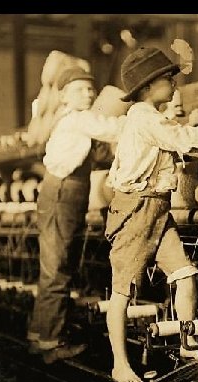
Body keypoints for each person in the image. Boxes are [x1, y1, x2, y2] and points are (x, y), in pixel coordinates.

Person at [104, 47, 198, 382]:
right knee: (122, 292)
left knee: (185, 275)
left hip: (157, 209)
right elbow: (185, 139)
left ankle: (187, 344)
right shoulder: (145, 117)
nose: (174, 83)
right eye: (167, 79)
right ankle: (119, 365)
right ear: (147, 87)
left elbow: (185, 141)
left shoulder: (151, 118)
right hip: (136, 210)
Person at [27, 67, 126, 364]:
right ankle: (52, 344)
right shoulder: (78, 119)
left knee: (55, 267)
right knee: (57, 269)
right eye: (80, 89)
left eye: (90, 89)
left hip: (63, 194)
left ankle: (40, 335)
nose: (89, 93)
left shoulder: (72, 122)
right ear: (63, 96)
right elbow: (115, 129)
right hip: (63, 195)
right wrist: (146, 116)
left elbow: (98, 155)